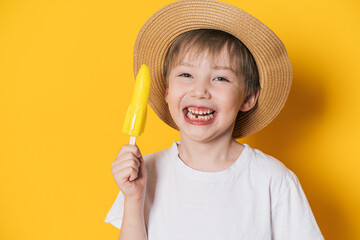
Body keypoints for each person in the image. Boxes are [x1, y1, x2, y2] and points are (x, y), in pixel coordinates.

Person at [105, 0, 324, 239]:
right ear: (167, 90)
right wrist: (133, 198)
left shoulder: (272, 180)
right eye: (186, 74)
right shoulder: (143, 174)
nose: (200, 91)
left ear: (248, 98)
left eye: (220, 78)